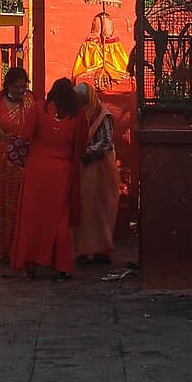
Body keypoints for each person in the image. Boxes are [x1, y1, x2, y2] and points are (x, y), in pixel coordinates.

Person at [10, 77, 87, 280]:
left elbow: (23, 137)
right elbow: (82, 145)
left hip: (36, 171)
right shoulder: (78, 116)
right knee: (60, 220)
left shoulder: (37, 109)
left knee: (32, 219)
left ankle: (30, 265)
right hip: (62, 173)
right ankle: (62, 267)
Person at [0, 65, 38, 261]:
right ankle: (4, 249)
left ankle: (25, 248)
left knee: (25, 206)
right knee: (4, 207)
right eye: (17, 87)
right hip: (3, 163)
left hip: (27, 160)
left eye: (23, 86)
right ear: (8, 86)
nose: (21, 90)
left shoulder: (32, 99)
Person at [74, 81, 119, 264]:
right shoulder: (79, 115)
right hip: (84, 169)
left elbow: (106, 142)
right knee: (84, 209)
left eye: (83, 100)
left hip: (101, 168)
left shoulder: (103, 115)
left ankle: (102, 248)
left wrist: (87, 152)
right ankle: (85, 249)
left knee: (102, 208)